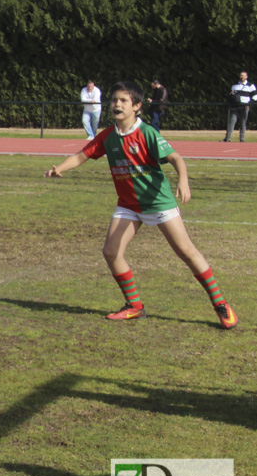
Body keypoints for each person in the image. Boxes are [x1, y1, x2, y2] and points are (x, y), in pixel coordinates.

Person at [45, 80, 238, 330]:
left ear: (136, 106)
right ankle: (134, 306)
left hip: (158, 203)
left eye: (123, 101)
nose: (117, 104)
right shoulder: (108, 136)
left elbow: (176, 158)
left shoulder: (146, 133)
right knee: (111, 252)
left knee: (186, 253)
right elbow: (82, 155)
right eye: (114, 100)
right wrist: (59, 168)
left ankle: (220, 304)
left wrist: (184, 181)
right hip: (128, 205)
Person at [223, 71, 257, 143]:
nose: (242, 77)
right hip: (235, 106)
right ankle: (227, 138)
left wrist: (250, 103)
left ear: (246, 77)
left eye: (244, 76)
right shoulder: (235, 85)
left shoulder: (250, 85)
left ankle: (242, 139)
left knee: (243, 123)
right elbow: (231, 95)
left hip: (244, 106)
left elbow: (256, 96)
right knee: (231, 122)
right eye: (241, 75)